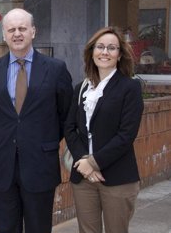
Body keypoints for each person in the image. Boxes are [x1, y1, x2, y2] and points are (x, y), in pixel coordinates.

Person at [0, 8, 73, 233]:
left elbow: (64, 113)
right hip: (2, 166)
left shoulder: (56, 69)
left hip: (40, 164)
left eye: (22, 28)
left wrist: (39, 138)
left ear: (33, 31)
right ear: (3, 35)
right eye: (11, 29)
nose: (17, 33)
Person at [64, 27, 143, 233]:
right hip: (84, 177)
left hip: (117, 177)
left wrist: (93, 162)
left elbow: (126, 135)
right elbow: (70, 128)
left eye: (111, 48)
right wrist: (83, 161)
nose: (105, 52)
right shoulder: (81, 87)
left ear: (119, 55)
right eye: (100, 47)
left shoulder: (130, 88)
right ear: (91, 52)